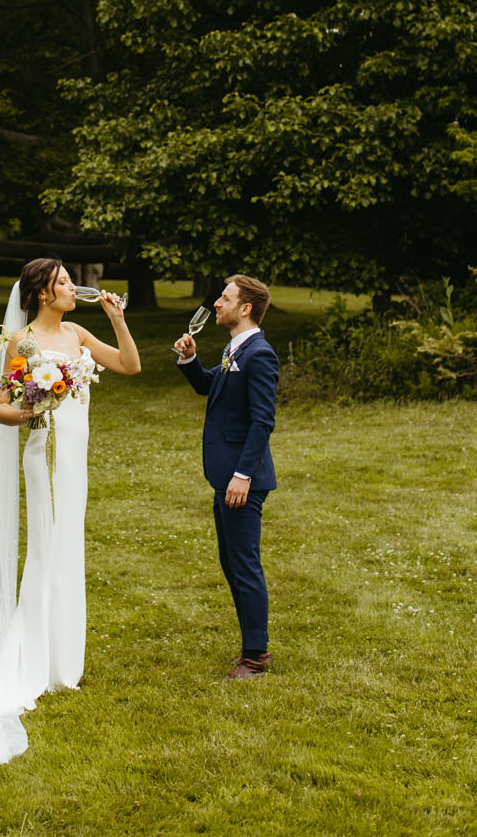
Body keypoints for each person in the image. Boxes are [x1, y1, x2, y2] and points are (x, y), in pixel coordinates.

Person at [0, 257, 140, 761]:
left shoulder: (76, 332)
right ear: (44, 294)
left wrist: (117, 318)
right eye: (66, 282)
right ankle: (27, 664)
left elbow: (130, 366)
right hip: (43, 454)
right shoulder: (21, 341)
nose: (76, 288)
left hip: (75, 457)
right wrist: (35, 405)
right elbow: (1, 409)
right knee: (47, 552)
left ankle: (59, 663)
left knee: (68, 549)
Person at [174, 274, 278, 679]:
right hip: (226, 475)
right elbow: (210, 387)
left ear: (245, 308)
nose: (217, 303)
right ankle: (251, 647)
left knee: (244, 563)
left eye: (225, 297)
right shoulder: (235, 350)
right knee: (232, 562)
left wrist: (241, 475)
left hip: (242, 479)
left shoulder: (259, 354)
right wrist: (189, 361)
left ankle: (256, 657)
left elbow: (262, 421)